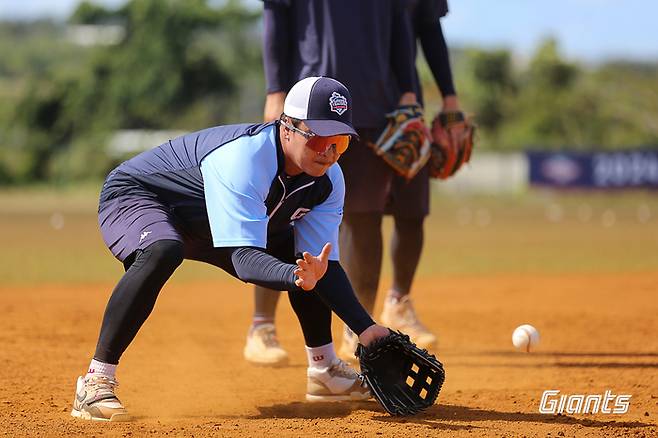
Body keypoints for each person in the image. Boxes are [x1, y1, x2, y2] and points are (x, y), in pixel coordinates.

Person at [71, 76, 390, 422]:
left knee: (307, 257)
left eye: (340, 142)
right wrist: (297, 276)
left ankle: (325, 370)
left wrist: (366, 328)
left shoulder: (329, 181)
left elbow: (320, 264)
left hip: (208, 222)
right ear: (287, 128)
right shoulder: (246, 159)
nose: (329, 152)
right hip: (139, 196)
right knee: (163, 249)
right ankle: (95, 381)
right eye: (320, 139)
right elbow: (244, 260)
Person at [245, 0, 443, 366]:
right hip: (308, 105)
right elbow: (276, 13)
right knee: (278, 216)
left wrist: (408, 91)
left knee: (365, 217)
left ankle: (356, 329)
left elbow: (401, 23)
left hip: (374, 104)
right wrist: (275, 90)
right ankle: (262, 327)